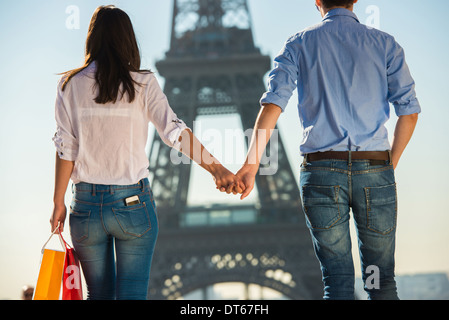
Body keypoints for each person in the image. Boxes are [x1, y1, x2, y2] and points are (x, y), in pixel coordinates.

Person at [227, 0, 420, 299]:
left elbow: (273, 105)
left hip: (321, 173)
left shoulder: (299, 43)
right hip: (375, 169)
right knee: (380, 282)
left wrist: (251, 166)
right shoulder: (385, 43)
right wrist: (388, 165)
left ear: (317, 0)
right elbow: (409, 113)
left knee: (337, 283)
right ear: (355, 0)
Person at [50, 5, 243, 300]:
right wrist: (218, 170)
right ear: (128, 39)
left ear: (93, 39)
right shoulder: (143, 83)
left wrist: (58, 202)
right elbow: (175, 133)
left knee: (97, 294)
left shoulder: (69, 85)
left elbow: (67, 148)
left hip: (86, 205)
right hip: (132, 203)